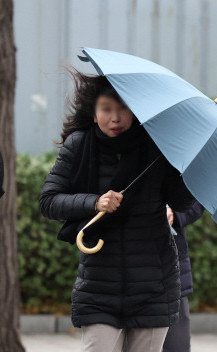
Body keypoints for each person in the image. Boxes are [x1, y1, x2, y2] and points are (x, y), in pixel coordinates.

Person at [39, 71, 194, 352]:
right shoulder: (79, 145)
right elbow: (49, 201)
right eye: (107, 109)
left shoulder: (158, 147)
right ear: (94, 112)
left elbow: (182, 203)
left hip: (153, 284)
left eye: (123, 108)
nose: (116, 118)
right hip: (99, 286)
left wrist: (189, 166)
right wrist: (94, 202)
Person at [163, 201, 204, 352]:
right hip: (130, 275)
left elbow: (198, 199)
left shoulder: (183, 176)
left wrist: (174, 213)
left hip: (172, 269)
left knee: (177, 345)